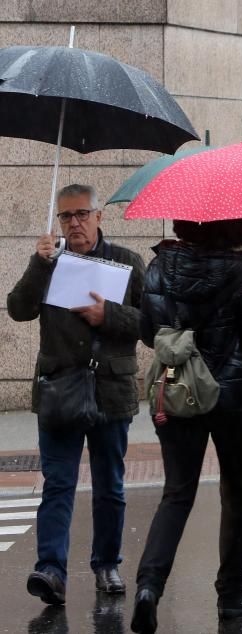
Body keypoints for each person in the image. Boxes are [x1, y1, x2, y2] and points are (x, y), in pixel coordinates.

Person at [130, 219, 242, 633]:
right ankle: (231, 595)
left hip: (177, 391)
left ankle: (149, 587)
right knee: (237, 492)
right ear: (237, 226)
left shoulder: (160, 266)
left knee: (176, 494)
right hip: (234, 398)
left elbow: (147, 332)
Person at [7, 184, 145, 605]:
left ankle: (107, 564)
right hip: (60, 390)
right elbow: (18, 308)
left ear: (100, 216)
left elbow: (152, 323)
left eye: (82, 214)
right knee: (58, 484)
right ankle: (51, 570)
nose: (75, 223)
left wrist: (111, 315)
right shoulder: (50, 263)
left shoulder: (127, 262)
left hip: (110, 390)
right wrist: (37, 262)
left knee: (110, 486)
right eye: (66, 217)